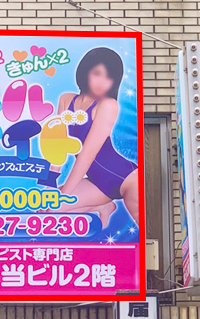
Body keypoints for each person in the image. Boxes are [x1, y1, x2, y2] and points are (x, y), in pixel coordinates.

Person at [48, 47, 139, 229]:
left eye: (109, 77)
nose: (102, 82)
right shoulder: (66, 99)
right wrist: (51, 185)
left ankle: (102, 206)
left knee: (142, 229)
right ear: (85, 71)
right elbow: (58, 144)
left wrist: (65, 193)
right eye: (97, 73)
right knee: (47, 210)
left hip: (127, 179)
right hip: (96, 182)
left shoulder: (108, 105)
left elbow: (87, 154)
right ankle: (103, 206)